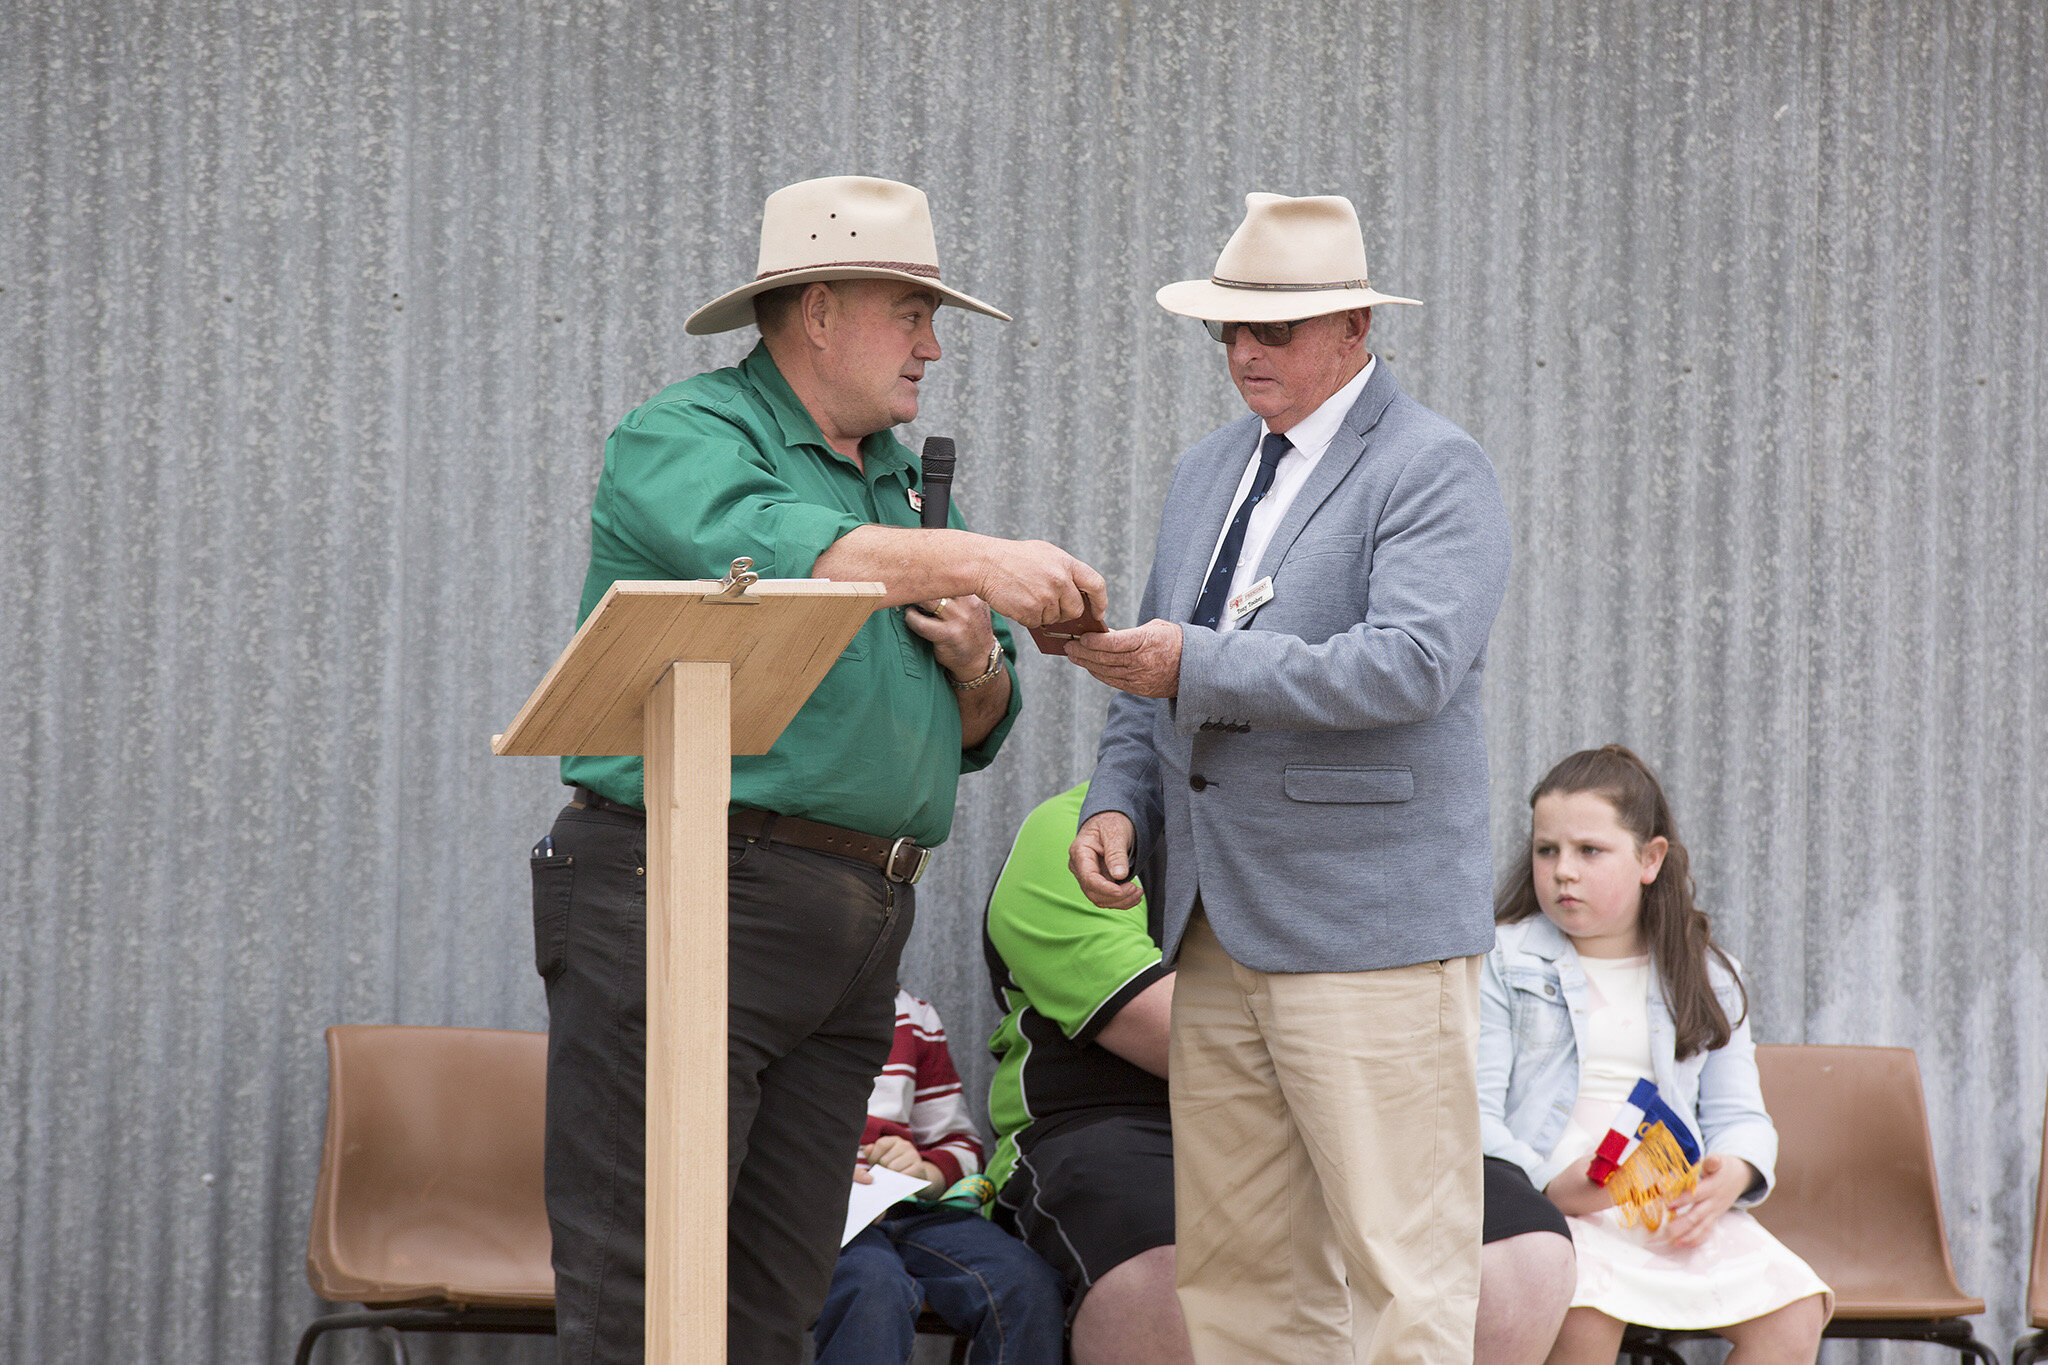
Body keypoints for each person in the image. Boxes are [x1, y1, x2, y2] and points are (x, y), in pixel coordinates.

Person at [531, 174, 1106, 1365]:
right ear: (819, 312)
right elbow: (793, 554)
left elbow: (981, 719)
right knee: (642, 1285)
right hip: (688, 884)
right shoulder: (683, 436)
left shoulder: (893, 477)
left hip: (855, 918)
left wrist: (973, 662)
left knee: (780, 1293)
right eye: (912, 313)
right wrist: (976, 560)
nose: (933, 349)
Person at [1066, 191, 1514, 1365]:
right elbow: (1153, 672)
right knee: (1243, 1279)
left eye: (1273, 328)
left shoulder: (1433, 466)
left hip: (1370, 930)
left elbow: (1410, 665)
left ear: (1356, 327)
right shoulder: (1205, 468)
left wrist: (1191, 662)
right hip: (1215, 927)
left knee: (1399, 1276)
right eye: (1226, 330)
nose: (1242, 352)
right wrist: (1118, 800)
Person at [993, 785, 1574, 1365]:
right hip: (1121, 1123)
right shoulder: (1077, 833)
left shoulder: (1340, 834)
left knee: (1526, 1256)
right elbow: (1173, 1033)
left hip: (1344, 1100)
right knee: (1168, 1276)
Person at [1482, 745, 1831, 1365]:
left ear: (1650, 858)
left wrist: (1737, 1175)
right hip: (1550, 1206)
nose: (1563, 870)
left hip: (1664, 1206)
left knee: (1795, 1311)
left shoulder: (1706, 974)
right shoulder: (1502, 961)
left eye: (1590, 851)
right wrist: (1548, 1190)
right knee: (1583, 1307)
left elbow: (1742, 1115)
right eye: (1547, 850)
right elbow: (1473, 1116)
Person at [815, 987, 1065, 1365]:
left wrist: (921, 1171)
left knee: (1026, 1285)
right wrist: (818, 1179)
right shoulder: (777, 1008)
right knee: (873, 1287)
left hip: (914, 1209)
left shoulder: (913, 1015)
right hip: (821, 1214)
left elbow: (960, 1146)